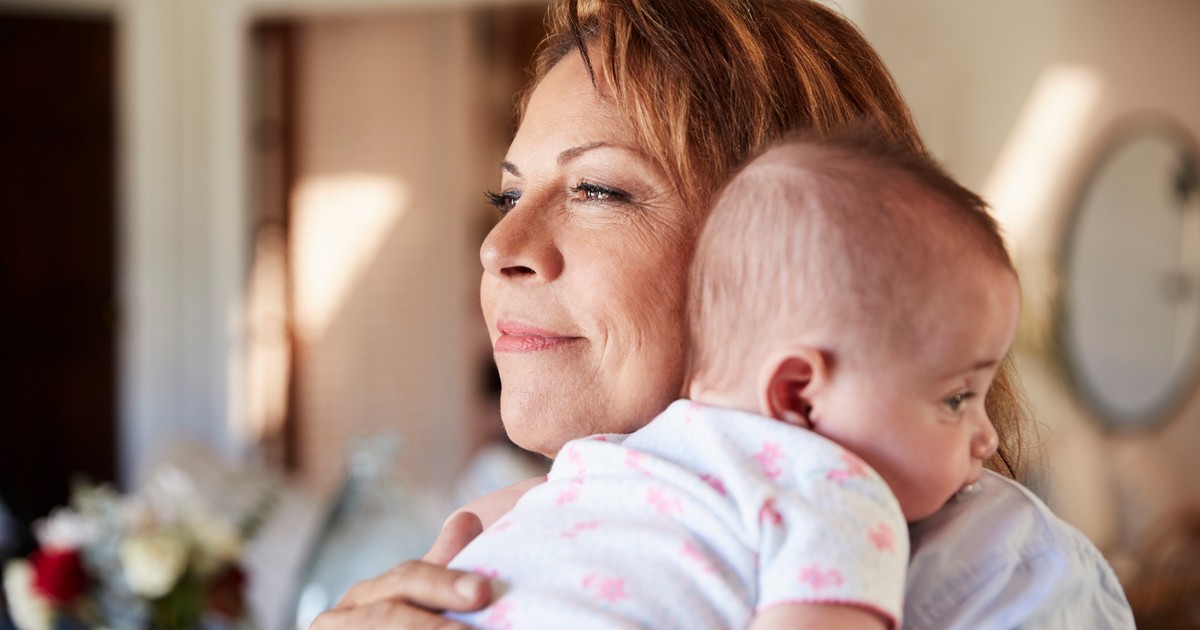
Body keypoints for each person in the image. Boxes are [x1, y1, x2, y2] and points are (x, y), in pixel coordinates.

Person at [311, 1, 1134, 628]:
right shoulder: (511, 531)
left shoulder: (1007, 577)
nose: (500, 245)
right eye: (510, 194)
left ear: (795, 255)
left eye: (597, 189)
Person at [442, 130, 1019, 629]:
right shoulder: (836, 493)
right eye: (956, 399)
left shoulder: (604, 467)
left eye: (597, 190)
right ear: (797, 393)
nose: (496, 249)